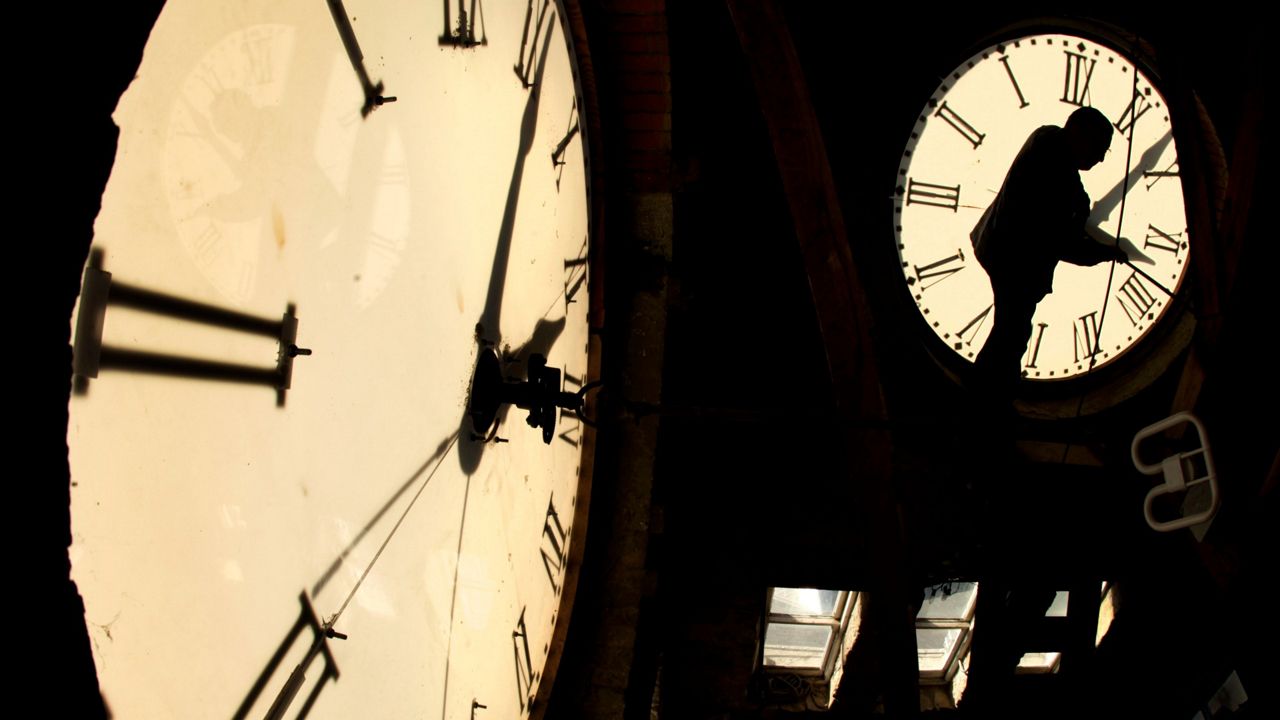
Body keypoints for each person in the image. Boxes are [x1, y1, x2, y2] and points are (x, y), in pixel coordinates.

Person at [971, 106, 1130, 399]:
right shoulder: (1060, 178)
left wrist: (1079, 208)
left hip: (1002, 253)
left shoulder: (1045, 141)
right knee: (1011, 337)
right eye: (1099, 149)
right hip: (1017, 265)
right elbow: (1060, 240)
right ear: (1080, 135)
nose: (1099, 158)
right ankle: (989, 401)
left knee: (1009, 334)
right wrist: (1104, 252)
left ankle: (987, 399)